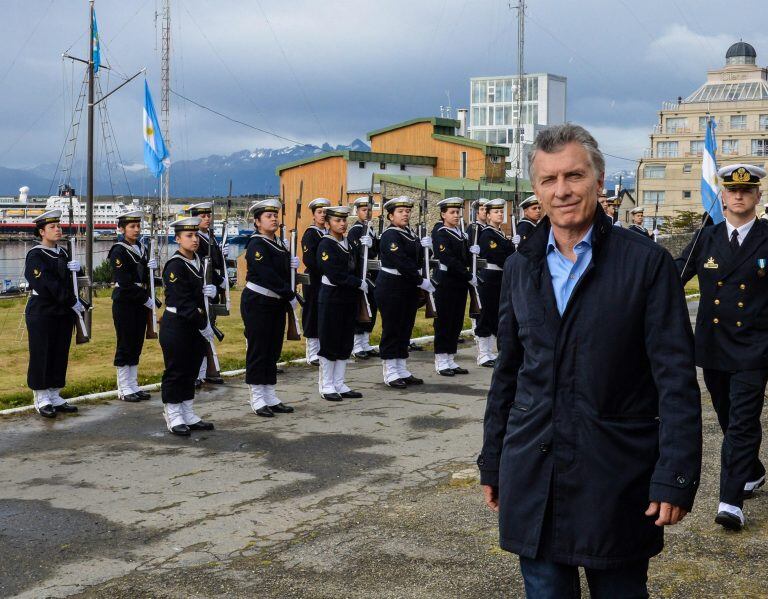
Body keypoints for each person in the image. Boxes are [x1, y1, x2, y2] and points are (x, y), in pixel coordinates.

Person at [479, 123, 702, 597]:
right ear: (536, 189)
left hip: (616, 478)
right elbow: (509, 372)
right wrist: (493, 459)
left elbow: (676, 379)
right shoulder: (522, 266)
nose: (562, 191)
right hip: (534, 473)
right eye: (548, 180)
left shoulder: (645, 264)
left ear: (600, 182)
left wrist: (676, 474)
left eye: (574, 176)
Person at [678, 163, 768, 531]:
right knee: (728, 416)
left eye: (747, 191)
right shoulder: (707, 238)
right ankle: (754, 469)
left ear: (758, 196)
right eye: (732, 190)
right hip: (714, 347)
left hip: (755, 347)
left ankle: (730, 501)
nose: (739, 195)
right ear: (724, 197)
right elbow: (674, 274)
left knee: (743, 422)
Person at [241, 199, 297, 417]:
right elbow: (267, 275)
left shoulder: (280, 243)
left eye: (275, 216)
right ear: (257, 222)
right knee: (259, 349)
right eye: (268, 216)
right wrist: (289, 293)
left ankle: (270, 394)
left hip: (275, 302)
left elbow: (281, 273)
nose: (274, 219)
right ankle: (257, 397)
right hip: (258, 301)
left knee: (273, 348)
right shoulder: (256, 244)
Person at [159, 217, 215, 436]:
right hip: (178, 325)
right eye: (189, 236)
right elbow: (182, 302)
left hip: (194, 325)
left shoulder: (199, 261)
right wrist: (204, 325)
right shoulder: (175, 265)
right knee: (176, 370)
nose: (195, 240)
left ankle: (187, 411)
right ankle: (172, 413)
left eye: (196, 235)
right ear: (178, 239)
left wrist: (213, 289)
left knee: (191, 369)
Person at [24, 209, 81, 418]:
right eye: (52, 227)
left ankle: (54, 393)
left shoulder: (64, 252)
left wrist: (78, 269)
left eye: (59, 226)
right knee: (42, 353)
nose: (58, 230)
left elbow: (71, 281)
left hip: (62, 312)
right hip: (43, 310)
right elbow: (47, 285)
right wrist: (72, 301)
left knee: (59, 352)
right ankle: (41, 396)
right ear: (41, 232)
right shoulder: (36, 255)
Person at [375, 196, 428, 388]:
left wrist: (425, 248)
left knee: (405, 327)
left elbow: (416, 259)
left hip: (407, 286)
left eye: (407, 211)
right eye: (400, 211)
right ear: (390, 216)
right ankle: (390, 371)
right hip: (391, 286)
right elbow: (401, 262)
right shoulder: (391, 235)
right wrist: (421, 280)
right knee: (392, 328)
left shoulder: (410, 233)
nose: (405, 214)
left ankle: (401, 368)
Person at [316, 205, 367, 401]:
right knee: (330, 340)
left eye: (344, 220)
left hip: (348, 297)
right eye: (337, 220)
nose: (342, 223)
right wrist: (357, 282)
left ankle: (339, 382)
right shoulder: (326, 245)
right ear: (327, 223)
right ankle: (326, 384)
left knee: (345, 340)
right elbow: (335, 275)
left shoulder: (349, 243)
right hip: (332, 296)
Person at [108, 209, 155, 402]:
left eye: (138, 226)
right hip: (126, 301)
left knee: (136, 344)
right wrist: (145, 297)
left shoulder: (141, 248)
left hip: (139, 301)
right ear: (121, 229)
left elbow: (143, 278)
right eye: (132, 226)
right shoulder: (118, 250)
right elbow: (125, 281)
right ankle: (123, 387)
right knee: (125, 343)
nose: (136, 230)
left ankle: (133, 384)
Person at [432, 197, 476, 376]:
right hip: (446, 281)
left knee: (456, 321)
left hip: (459, 283)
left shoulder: (461, 234)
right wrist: (467, 274)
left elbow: (463, 259)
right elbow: (448, 259)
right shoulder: (440, 232)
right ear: (443, 214)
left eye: (458, 212)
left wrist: (471, 251)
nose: (457, 215)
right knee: (444, 321)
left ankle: (450, 359)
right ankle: (441, 360)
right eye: (452, 212)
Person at [187, 202, 227, 387]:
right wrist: (220, 281)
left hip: (212, 291)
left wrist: (222, 253)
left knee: (208, 331)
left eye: (208, 215)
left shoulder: (209, 236)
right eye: (202, 216)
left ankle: (204, 372)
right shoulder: (199, 240)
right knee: (200, 333)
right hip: (204, 289)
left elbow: (216, 263)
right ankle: (196, 372)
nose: (207, 218)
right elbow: (205, 266)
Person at [475, 198, 514, 367]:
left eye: (501, 211)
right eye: (496, 212)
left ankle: (491, 352)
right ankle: (483, 354)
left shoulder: (500, 234)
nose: (499, 214)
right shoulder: (487, 233)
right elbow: (498, 257)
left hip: (500, 277)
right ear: (488, 215)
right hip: (490, 276)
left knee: (496, 315)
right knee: (486, 314)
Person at [348, 196, 379, 359]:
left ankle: (365, 343)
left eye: (369, 210)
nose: (367, 213)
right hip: (361, 274)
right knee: (361, 309)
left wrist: (373, 244)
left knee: (371, 309)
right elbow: (354, 254)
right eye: (363, 210)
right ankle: (357, 345)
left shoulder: (370, 229)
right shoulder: (355, 230)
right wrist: (362, 245)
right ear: (357, 211)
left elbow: (374, 252)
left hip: (372, 275)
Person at [301, 197, 330, 365]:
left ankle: (322, 348)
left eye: (325, 212)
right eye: (319, 212)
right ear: (313, 215)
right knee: (312, 312)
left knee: (323, 313)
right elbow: (310, 260)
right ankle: (312, 351)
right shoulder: (311, 234)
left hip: (326, 280)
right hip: (314, 278)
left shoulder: (328, 233)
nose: (322, 215)